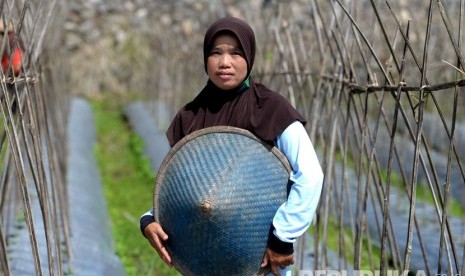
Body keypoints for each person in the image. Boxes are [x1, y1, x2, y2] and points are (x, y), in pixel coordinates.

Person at [140, 16, 324, 276]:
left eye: (236, 53)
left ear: (249, 56)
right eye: (216, 53)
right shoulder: (191, 116)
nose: (225, 62)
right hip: (205, 258)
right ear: (206, 58)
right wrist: (148, 219)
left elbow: (310, 176)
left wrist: (282, 238)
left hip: (260, 260)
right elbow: (183, 188)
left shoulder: (270, 109)